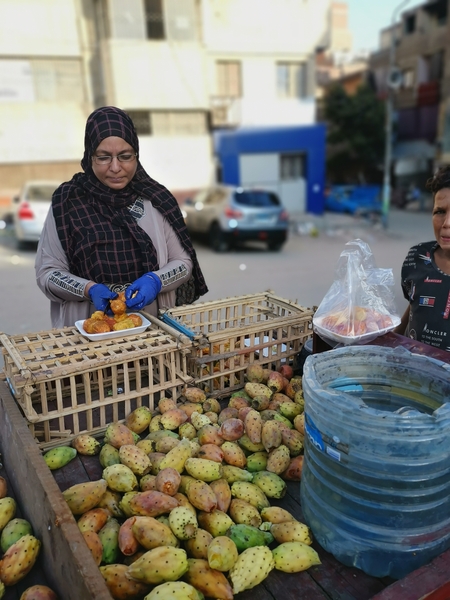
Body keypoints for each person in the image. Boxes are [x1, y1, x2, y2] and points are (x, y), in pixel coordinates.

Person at [35, 106, 208, 329]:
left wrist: (155, 281)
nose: (116, 167)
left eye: (125, 157)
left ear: (136, 155)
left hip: (150, 328)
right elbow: (48, 273)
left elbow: (183, 263)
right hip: (88, 331)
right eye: (104, 157)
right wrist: (89, 289)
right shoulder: (67, 202)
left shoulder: (155, 199)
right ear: (90, 156)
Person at [396, 165, 450, 350]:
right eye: (440, 212)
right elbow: (415, 303)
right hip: (413, 374)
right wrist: (389, 343)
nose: (447, 223)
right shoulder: (417, 257)